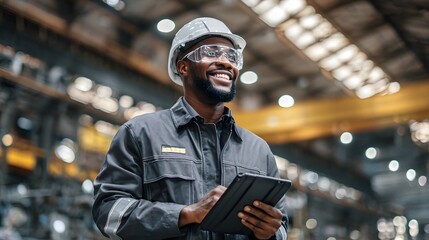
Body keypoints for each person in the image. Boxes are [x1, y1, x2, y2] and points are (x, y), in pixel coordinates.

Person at [92, 17, 288, 240]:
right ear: (183, 66)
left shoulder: (258, 150)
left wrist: (271, 232)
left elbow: (282, 226)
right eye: (212, 53)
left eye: (232, 56)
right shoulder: (141, 134)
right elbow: (109, 214)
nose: (226, 62)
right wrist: (185, 214)